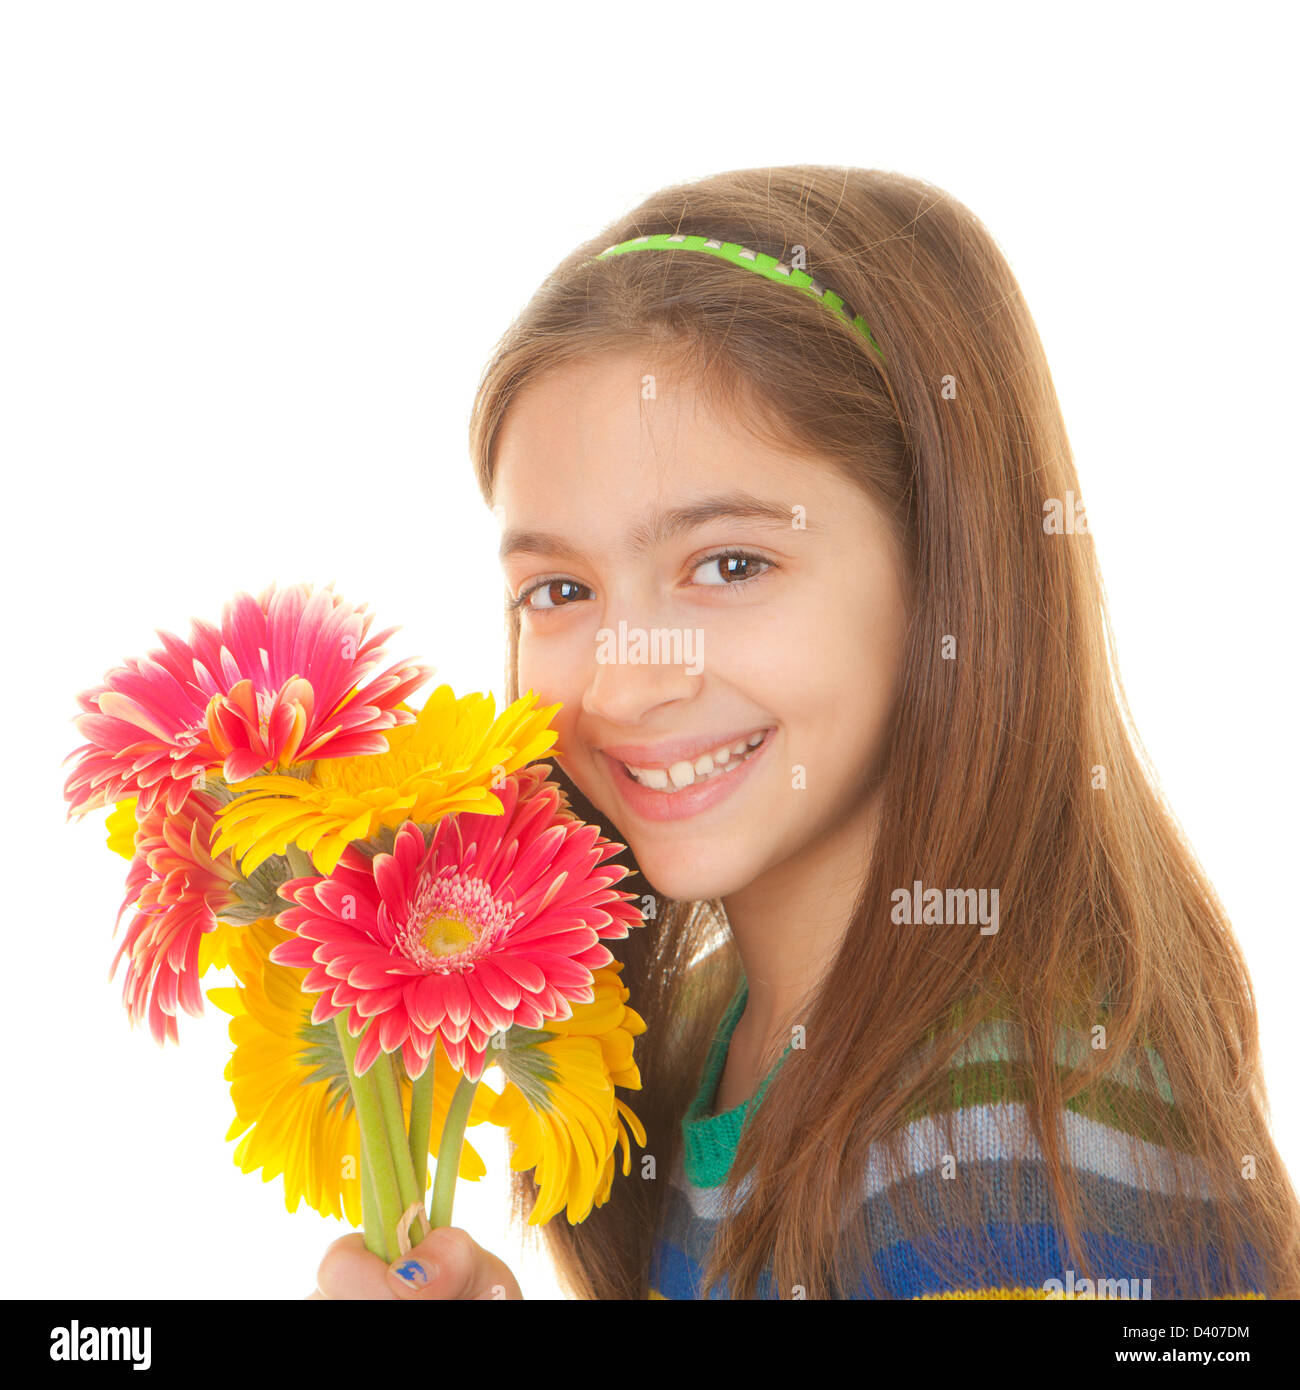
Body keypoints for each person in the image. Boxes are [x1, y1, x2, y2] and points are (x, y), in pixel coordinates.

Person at [310, 165, 1300, 1300]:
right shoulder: (719, 1037)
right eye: (559, 590)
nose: (627, 688)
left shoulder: (996, 1164)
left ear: (946, 577)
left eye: (729, 565)